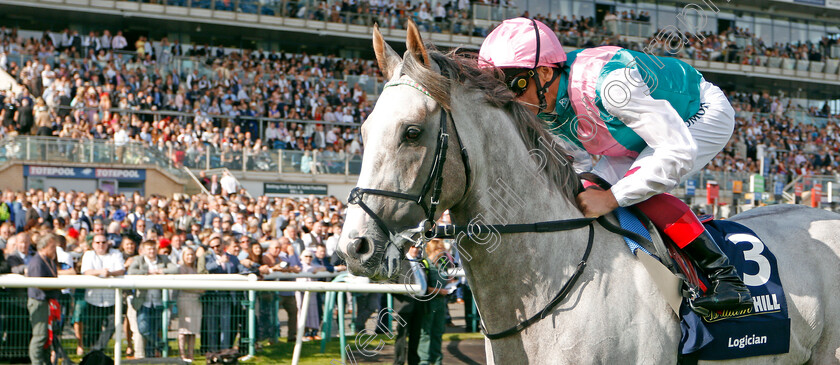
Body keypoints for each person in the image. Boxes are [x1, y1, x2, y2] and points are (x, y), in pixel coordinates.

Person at [478, 17, 752, 314]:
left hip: (697, 113)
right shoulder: (541, 102)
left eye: (513, 87)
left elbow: (677, 150)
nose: (512, 102)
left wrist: (611, 198)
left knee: (633, 188)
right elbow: (576, 161)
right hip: (635, 132)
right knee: (589, 188)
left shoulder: (611, 85)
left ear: (544, 72)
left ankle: (727, 279)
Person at [128, 240, 179, 357]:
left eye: (153, 248)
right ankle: (160, 344)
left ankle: (150, 357)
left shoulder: (163, 259)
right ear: (144, 250)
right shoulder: (139, 260)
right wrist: (148, 272)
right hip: (143, 302)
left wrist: (161, 271)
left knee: (154, 329)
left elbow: (175, 269)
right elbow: (131, 271)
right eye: (149, 249)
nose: (151, 251)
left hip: (158, 301)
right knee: (143, 328)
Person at [80, 233, 125, 352]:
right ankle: (93, 353)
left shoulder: (116, 254)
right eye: (98, 242)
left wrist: (109, 274)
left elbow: (121, 270)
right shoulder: (88, 255)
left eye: (103, 242)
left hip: (111, 299)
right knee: (92, 330)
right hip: (93, 299)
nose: (101, 245)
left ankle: (98, 350)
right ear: (93, 244)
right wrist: (101, 271)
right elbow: (86, 271)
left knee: (114, 324)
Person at [26, 233, 60, 365]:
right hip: (39, 302)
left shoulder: (48, 260)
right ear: (45, 247)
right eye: (52, 247)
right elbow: (39, 284)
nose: (55, 250)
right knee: (40, 336)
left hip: (46, 303)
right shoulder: (37, 262)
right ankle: (37, 362)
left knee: (47, 337)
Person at [417, 240, 449, 365]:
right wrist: (439, 291)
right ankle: (424, 360)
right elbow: (423, 286)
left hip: (441, 303)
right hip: (429, 302)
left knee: (438, 331)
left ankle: (437, 360)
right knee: (426, 332)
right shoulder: (425, 264)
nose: (442, 251)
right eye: (440, 249)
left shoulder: (442, 264)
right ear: (433, 250)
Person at [177, 247, 203, 362]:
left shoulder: (196, 269)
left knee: (193, 329)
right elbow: (183, 286)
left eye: (192, 254)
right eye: (187, 255)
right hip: (185, 299)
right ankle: (182, 354)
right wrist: (199, 290)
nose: (190, 257)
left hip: (196, 301)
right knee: (184, 329)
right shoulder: (181, 268)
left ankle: (191, 353)